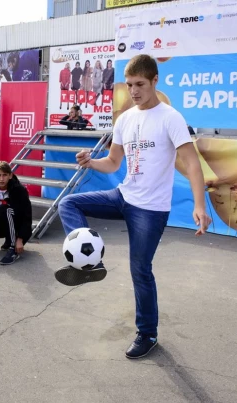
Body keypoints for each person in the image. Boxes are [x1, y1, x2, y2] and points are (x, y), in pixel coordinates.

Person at [55, 54, 212, 359]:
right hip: (123, 196)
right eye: (129, 85)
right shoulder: (125, 119)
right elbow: (113, 162)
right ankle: (90, 261)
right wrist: (90, 162)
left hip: (151, 210)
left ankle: (148, 334)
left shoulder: (171, 118)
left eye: (140, 84)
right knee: (68, 203)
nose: (134, 91)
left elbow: (192, 165)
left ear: (155, 81)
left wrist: (199, 205)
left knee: (140, 269)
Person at [0, 161, 33, 265]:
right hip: (4, 223)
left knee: (4, 209)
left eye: (5, 175)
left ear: (10, 176)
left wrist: (20, 238)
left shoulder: (19, 190)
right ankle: (9, 240)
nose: (1, 179)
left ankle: (12, 248)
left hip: (20, 227)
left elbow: (27, 215)